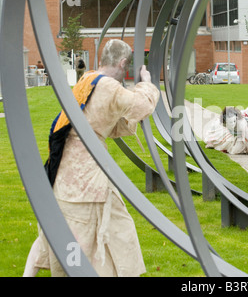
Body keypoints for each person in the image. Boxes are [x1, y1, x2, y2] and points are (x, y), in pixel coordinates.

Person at [23, 39, 160, 277]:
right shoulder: (109, 86)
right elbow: (141, 105)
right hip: (85, 178)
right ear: (123, 62)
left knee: (105, 227)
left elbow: (103, 123)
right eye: (126, 68)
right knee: (87, 235)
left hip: (68, 170)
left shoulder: (88, 79)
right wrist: (147, 84)